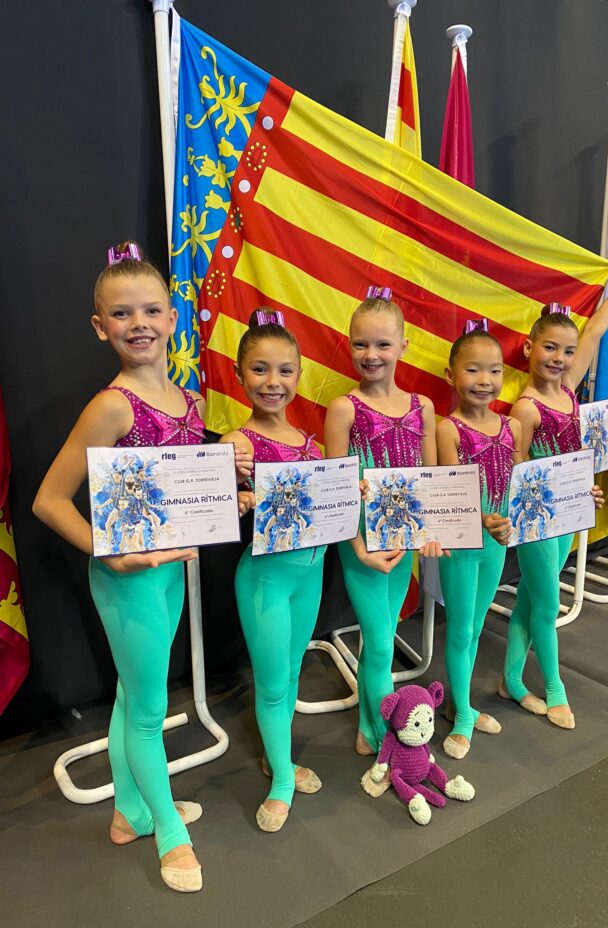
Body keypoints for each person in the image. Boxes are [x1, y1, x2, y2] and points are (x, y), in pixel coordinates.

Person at [33, 241, 253, 893]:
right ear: (100, 326)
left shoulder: (189, 401)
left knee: (136, 696)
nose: (140, 324)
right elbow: (49, 500)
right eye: (122, 313)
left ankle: (129, 813)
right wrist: (110, 550)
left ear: (172, 316)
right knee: (151, 708)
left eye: (152, 310)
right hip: (128, 579)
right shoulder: (113, 406)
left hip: (169, 574)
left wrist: (229, 480)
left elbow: (181, 488)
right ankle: (169, 832)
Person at [502, 259, 608, 729]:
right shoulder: (526, 408)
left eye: (567, 351)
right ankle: (555, 687)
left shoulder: (570, 389)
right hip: (538, 520)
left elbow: (595, 331)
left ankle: (510, 679)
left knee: (530, 599)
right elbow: (515, 475)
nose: (558, 358)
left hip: (570, 515)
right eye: (549, 348)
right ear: (529, 347)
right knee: (547, 603)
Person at [323, 286, 445, 764]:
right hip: (363, 541)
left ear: (403, 346)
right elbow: (335, 490)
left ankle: (367, 727)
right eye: (360, 344)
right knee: (377, 642)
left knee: (385, 633)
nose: (371, 354)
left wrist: (433, 534)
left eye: (382, 344)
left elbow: (432, 479)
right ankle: (382, 738)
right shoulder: (344, 408)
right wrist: (357, 546)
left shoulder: (422, 407)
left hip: (405, 537)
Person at [222, 308, 324, 834]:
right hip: (266, 579)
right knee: (273, 684)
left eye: (284, 370)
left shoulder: (311, 444)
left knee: (291, 672)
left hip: (311, 574)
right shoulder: (237, 444)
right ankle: (282, 779)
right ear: (240, 374)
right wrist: (235, 492)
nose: (273, 382)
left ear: (299, 374)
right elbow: (209, 509)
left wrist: (353, 491)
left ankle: (274, 756)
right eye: (259, 369)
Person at [436, 319, 523, 759]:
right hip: (463, 543)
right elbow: (449, 493)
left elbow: (523, 484)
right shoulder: (447, 429)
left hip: (496, 544)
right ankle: (464, 717)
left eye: (494, 370)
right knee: (460, 627)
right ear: (451, 374)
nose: (484, 380)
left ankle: (461, 704)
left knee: (475, 626)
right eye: (472, 370)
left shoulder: (512, 427)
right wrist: (482, 518)